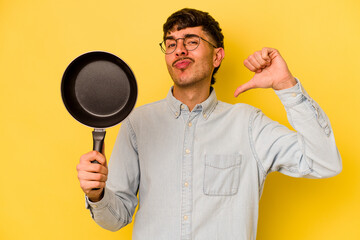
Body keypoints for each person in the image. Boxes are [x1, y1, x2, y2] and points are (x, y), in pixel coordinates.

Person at [76, 8, 342, 240]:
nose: (179, 49)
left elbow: (325, 162)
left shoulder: (249, 125)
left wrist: (286, 85)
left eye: (191, 41)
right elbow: (116, 218)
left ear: (217, 57)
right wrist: (97, 195)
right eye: (170, 43)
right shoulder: (138, 124)